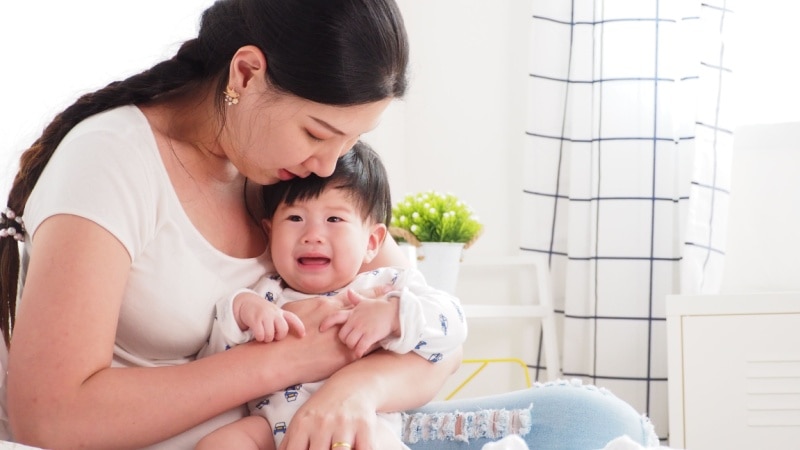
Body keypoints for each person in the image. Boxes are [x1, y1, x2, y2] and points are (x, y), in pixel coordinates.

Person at [0, 1, 660, 449]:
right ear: (247, 73)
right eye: (319, 131)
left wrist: (352, 389)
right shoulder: (113, 158)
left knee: (591, 420)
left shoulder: (287, 170)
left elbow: (436, 331)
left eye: (347, 142)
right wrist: (305, 358)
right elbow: (47, 411)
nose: (327, 162)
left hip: (324, 427)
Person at [196, 142, 467, 450]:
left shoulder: (385, 285)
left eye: (334, 220)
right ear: (270, 232)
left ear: (373, 241)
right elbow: (219, 361)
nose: (312, 235)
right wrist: (240, 311)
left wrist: (394, 315)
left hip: (359, 428)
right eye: (295, 219)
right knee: (221, 443)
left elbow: (453, 324)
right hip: (272, 430)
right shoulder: (266, 293)